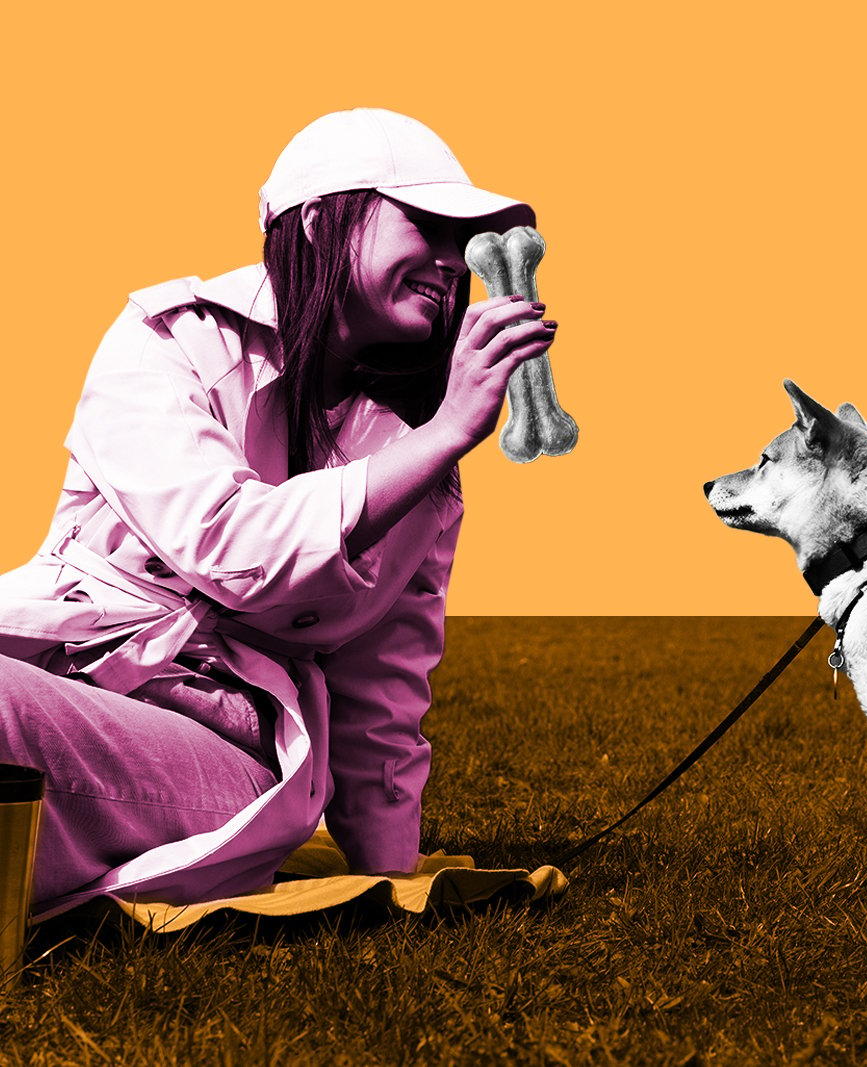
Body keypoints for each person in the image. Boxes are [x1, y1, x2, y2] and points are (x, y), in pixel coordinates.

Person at [0, 108, 556, 919]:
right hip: (54, 672)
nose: (453, 258)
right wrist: (440, 437)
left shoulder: (418, 458)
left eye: (462, 237)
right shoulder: (165, 345)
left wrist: (392, 878)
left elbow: (383, 696)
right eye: (427, 224)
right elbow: (229, 541)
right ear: (319, 219)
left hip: (216, 750)